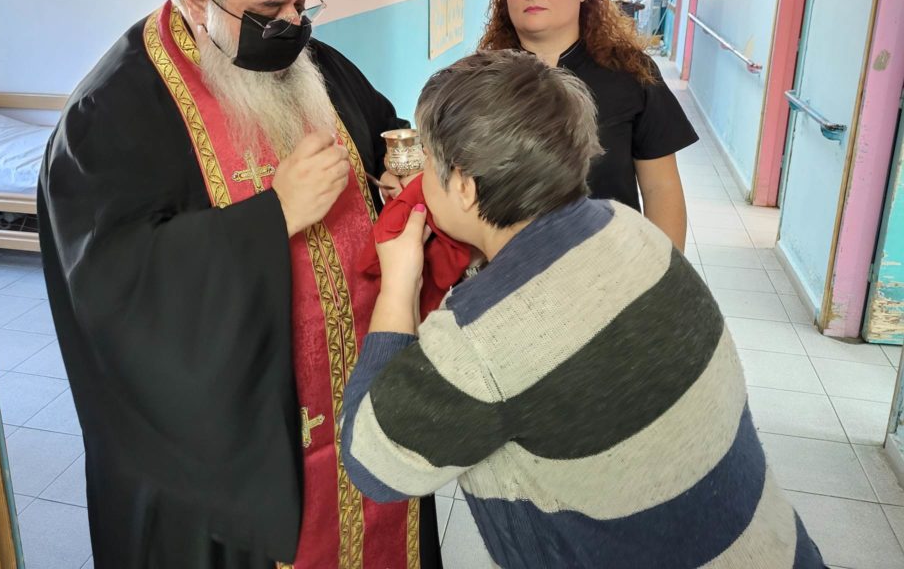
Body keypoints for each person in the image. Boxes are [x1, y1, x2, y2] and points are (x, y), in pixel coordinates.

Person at [37, 0, 441, 569]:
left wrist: (400, 172)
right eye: (269, 9)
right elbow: (111, 288)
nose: (295, 24)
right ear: (198, 1)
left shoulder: (303, 57)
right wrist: (273, 217)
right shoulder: (110, 113)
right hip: (244, 453)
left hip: (364, 393)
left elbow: (382, 126)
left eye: (302, 1)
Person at [339, 51, 825, 569]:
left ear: (463, 184)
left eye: (430, 166)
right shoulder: (625, 225)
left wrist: (398, 286)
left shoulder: (480, 339)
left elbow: (373, 463)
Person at [479, 0, 697, 250]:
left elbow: (660, 188)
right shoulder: (484, 80)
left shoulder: (632, 74)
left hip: (612, 263)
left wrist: (665, 273)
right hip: (510, 268)